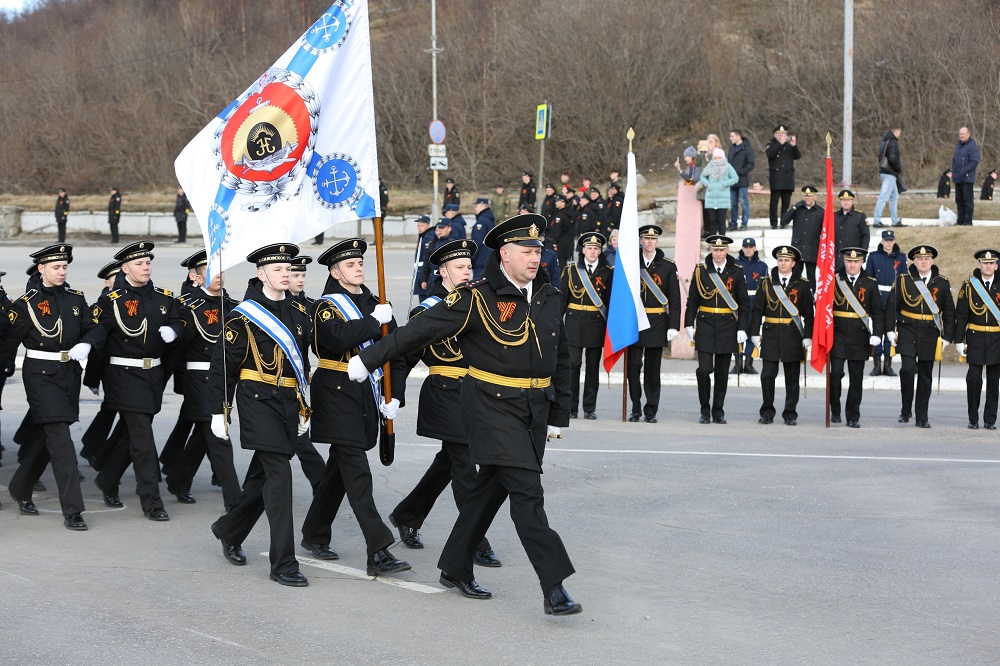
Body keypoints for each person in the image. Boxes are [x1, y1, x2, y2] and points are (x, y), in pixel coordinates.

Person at [348, 213, 580, 616]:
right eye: (526, 251)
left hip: (535, 410)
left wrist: (560, 412)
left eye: (538, 251)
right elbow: (417, 333)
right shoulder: (476, 297)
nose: (534, 258)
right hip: (491, 406)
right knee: (528, 495)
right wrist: (369, 359)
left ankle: (455, 565)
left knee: (488, 490)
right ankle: (554, 585)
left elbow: (561, 357)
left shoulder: (549, 295)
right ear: (505, 255)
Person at [299, 239, 410, 576]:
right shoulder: (325, 306)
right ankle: (378, 549)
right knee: (357, 472)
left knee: (339, 471)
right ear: (335, 271)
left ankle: (314, 532)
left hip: (364, 394)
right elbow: (333, 339)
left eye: (360, 262)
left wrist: (395, 396)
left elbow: (396, 350)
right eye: (350, 265)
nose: (358, 267)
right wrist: (374, 322)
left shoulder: (375, 303)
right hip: (335, 393)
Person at [388, 238, 501, 567]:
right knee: (466, 470)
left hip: (476, 396)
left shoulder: (477, 304)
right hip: (445, 394)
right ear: (443, 272)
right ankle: (475, 540)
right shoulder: (427, 311)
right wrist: (394, 394)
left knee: (448, 465)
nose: (467, 271)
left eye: (469, 266)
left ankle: (408, 514)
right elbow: (404, 356)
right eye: (460, 267)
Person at [208, 243, 313, 586]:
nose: (285, 274)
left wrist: (302, 405)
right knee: (280, 480)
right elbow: (223, 367)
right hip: (257, 402)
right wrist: (218, 413)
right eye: (278, 270)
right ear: (261, 273)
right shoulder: (242, 316)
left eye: (288, 269)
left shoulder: (298, 312)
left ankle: (228, 529)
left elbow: (302, 362)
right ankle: (283, 563)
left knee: (260, 479)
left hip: (287, 404)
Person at [0, 244, 98, 529]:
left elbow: (94, 327)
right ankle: (73, 510)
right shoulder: (26, 304)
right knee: (61, 438)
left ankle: (20, 486)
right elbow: (7, 343)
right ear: (41, 269)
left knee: (50, 437)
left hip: (68, 374)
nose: (61, 271)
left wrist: (87, 343)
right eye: (55, 267)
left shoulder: (76, 299)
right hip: (40, 375)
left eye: (64, 266)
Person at [89, 241, 185, 520]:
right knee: (143, 438)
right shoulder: (112, 301)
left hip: (153, 376)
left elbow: (181, 323)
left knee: (133, 434)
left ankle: (107, 478)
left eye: (147, 263)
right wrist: (92, 377)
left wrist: (175, 331)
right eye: (139, 263)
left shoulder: (165, 298)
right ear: (125, 268)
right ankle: (152, 501)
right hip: (123, 376)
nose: (145, 267)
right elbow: (100, 339)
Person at [163, 250, 242, 509]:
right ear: (195, 276)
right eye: (209, 270)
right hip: (199, 377)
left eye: (220, 269)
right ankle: (234, 499)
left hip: (225, 377)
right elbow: (176, 347)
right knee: (218, 434)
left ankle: (178, 479)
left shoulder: (232, 306)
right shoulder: (187, 305)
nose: (218, 275)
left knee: (203, 434)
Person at [884, 245, 955, 428]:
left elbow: (949, 312)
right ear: (914, 261)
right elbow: (892, 306)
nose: (923, 262)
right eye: (920, 259)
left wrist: (947, 337)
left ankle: (922, 416)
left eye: (927, 258)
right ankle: (905, 410)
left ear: (932, 261)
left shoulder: (942, 282)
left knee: (925, 374)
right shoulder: (902, 280)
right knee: (907, 370)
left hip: (930, 332)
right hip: (907, 329)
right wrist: (890, 330)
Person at [684, 235, 749, 424]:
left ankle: (718, 410)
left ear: (727, 250)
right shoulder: (701, 270)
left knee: (722, 372)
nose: (718, 253)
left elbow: (743, 303)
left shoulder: (736, 271)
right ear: (710, 250)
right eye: (715, 249)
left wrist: (742, 328)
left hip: (728, 325)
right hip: (705, 324)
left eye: (722, 250)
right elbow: (693, 300)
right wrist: (689, 323)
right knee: (704, 370)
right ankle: (705, 410)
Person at [749, 245, 813, 425]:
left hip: (793, 335)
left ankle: (790, 413)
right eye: (780, 260)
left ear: (793, 263)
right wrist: (754, 333)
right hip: (770, 334)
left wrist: (808, 336)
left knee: (792, 378)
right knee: (767, 375)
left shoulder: (802, 284)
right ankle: (767, 412)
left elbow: (809, 314)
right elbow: (758, 310)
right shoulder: (766, 282)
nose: (783, 263)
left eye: (786, 260)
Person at [627, 225, 681, 423]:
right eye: (646, 238)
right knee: (633, 366)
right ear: (640, 241)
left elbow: (675, 299)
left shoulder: (668, 266)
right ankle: (634, 407)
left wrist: (673, 326)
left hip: (657, 322)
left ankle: (651, 410)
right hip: (634, 322)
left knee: (652, 369)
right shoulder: (631, 263)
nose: (649, 242)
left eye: (653, 239)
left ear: (657, 241)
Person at [284, 255, 326, 492]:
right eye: (295, 275)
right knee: (298, 437)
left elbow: (311, 344)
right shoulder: (275, 306)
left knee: (285, 439)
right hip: (280, 381)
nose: (300, 280)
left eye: (302, 275)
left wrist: (310, 369)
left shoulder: (310, 306)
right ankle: (321, 485)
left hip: (299, 382)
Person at [829, 248, 884, 427]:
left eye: (856, 262)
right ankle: (835, 409)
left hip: (859, 336)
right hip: (837, 334)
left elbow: (877, 311)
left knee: (856, 378)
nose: (852, 265)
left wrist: (877, 334)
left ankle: (853, 416)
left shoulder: (870, 283)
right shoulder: (835, 280)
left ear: (862, 263)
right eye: (849, 261)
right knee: (835, 374)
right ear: (844, 261)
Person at [561, 232, 613, 420]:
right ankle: (571, 407)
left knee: (592, 368)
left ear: (600, 251)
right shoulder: (571, 270)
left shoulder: (608, 272)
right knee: (573, 365)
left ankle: (589, 408)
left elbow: (609, 301)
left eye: (596, 248)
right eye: (589, 248)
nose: (592, 251)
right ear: (583, 250)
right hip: (574, 323)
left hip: (596, 324)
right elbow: (562, 300)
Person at [953, 249, 1000, 429]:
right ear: (979, 265)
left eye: (991, 263)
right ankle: (973, 418)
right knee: (973, 379)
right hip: (975, 336)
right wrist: (959, 340)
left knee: (994, 380)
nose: (988, 266)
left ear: (996, 266)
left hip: (997, 336)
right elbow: (961, 315)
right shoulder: (969, 286)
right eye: (985, 263)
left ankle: (990, 419)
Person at [865, 229, 907, 377]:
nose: (888, 243)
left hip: (893, 298)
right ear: (882, 241)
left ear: (894, 241)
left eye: (891, 240)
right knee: (877, 331)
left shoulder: (901, 258)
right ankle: (876, 365)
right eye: (886, 240)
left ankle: (888, 365)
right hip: (877, 297)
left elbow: (904, 280)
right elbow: (868, 278)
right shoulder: (873, 257)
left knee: (890, 331)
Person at [734, 238, 767, 374]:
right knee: (737, 331)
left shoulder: (762, 266)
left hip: (755, 302)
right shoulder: (735, 264)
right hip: (738, 302)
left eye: (751, 247)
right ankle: (738, 363)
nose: (748, 250)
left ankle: (748, 362)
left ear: (755, 248)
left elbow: (765, 287)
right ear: (742, 248)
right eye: (746, 247)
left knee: (752, 331)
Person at [782, 185, 825, 282]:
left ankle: (811, 296)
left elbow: (825, 231)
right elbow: (784, 221)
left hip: (812, 248)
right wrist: (794, 208)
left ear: (815, 197)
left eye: (810, 196)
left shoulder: (821, 212)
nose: (807, 198)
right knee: (795, 277)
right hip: (798, 248)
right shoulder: (797, 209)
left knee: (811, 277)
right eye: (805, 195)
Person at [765, 125, 801, 229]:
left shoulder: (789, 145)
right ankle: (774, 222)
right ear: (775, 135)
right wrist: (779, 144)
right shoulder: (771, 145)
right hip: (776, 178)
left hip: (787, 177)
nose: (782, 137)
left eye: (784, 135)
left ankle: (784, 221)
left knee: (786, 201)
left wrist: (794, 145)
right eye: (779, 135)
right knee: (774, 201)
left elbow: (797, 156)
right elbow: (770, 154)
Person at [699, 148, 738, 238]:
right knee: (712, 221)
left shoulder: (727, 166)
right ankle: (712, 241)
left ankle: (722, 239)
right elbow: (702, 176)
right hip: (711, 197)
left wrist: (724, 184)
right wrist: (707, 184)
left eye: (719, 158)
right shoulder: (710, 166)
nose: (717, 160)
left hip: (722, 198)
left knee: (721, 221)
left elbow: (735, 178)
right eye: (715, 158)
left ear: (723, 157)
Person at [873, 124, 903, 228]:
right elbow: (893, 158)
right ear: (897, 130)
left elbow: (881, 156)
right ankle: (876, 220)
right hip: (890, 173)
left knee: (894, 196)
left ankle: (895, 220)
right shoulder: (893, 142)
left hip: (885, 171)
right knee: (884, 196)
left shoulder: (885, 141)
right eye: (900, 131)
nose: (900, 133)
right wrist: (898, 168)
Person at [833, 189, 870, 271]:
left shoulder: (860, 216)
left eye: (848, 200)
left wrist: (863, 256)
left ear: (852, 201)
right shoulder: (834, 216)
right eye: (843, 200)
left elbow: (865, 237)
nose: (846, 202)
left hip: (853, 257)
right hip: (837, 257)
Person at [419, 218, 460, 290]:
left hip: (447, 279)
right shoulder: (433, 243)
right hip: (433, 278)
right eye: (438, 228)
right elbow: (427, 263)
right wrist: (424, 279)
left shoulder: (453, 243)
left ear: (449, 228)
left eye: (442, 228)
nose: (439, 230)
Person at [951, 126, 980, 226]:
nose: (961, 136)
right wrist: (953, 172)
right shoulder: (958, 146)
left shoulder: (972, 146)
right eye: (960, 134)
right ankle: (961, 220)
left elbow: (974, 161)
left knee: (967, 201)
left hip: (967, 178)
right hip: (958, 179)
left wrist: (964, 171)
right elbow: (955, 161)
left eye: (963, 134)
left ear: (968, 134)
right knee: (959, 200)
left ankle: (968, 220)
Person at [727, 129, 755, 231]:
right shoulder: (731, 148)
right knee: (733, 203)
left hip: (742, 179)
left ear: (738, 136)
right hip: (732, 180)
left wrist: (741, 172)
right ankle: (733, 223)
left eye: (732, 136)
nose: (730, 138)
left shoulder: (747, 147)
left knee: (744, 202)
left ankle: (744, 223)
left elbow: (751, 163)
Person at [471, 197, 496, 279]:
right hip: (488, 259)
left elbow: (477, 242)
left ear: (482, 206)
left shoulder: (482, 221)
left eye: (476, 206)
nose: (475, 208)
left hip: (480, 261)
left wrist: (472, 258)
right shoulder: (490, 220)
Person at [412, 214, 435, 297]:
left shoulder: (429, 237)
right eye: (418, 225)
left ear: (428, 225)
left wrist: (423, 278)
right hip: (420, 271)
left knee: (424, 298)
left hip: (424, 271)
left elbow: (426, 257)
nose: (419, 227)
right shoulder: (423, 236)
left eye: (422, 225)